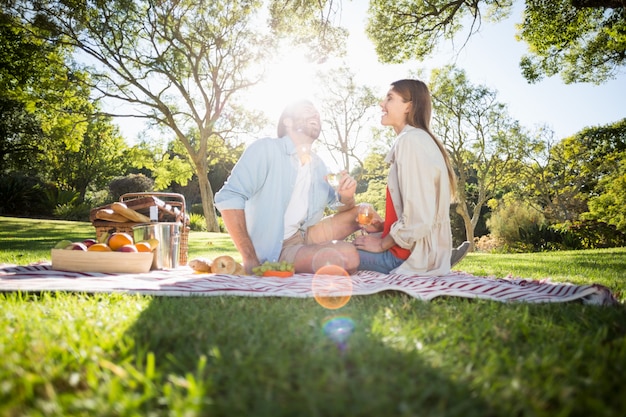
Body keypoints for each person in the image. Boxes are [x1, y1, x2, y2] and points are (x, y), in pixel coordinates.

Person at [214, 100, 362, 275]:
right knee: (348, 256)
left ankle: (390, 252)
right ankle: (364, 255)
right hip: (279, 248)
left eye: (317, 113)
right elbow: (230, 198)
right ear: (288, 122)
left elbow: (339, 206)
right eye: (308, 111)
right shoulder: (265, 149)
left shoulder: (318, 165)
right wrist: (250, 259)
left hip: (306, 237)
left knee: (364, 212)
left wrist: (347, 196)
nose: (315, 115)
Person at [354, 79, 468, 275]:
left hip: (405, 257)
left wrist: (382, 244)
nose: (382, 104)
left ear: (409, 106)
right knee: (335, 248)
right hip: (409, 250)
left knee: (327, 253)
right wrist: (383, 227)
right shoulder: (416, 140)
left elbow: (419, 219)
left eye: (389, 98)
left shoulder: (411, 141)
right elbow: (417, 211)